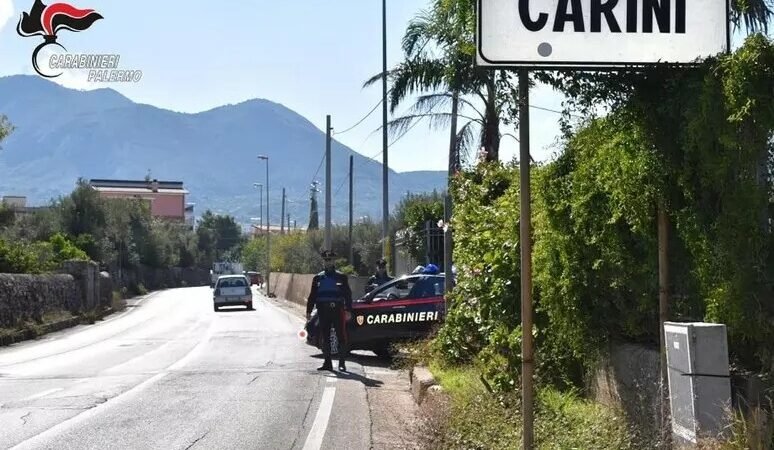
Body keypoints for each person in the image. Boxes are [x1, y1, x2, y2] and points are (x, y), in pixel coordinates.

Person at [306, 250, 353, 372]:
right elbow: (312, 296)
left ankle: (342, 363)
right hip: (322, 310)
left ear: (334, 261)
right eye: (326, 260)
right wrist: (308, 311)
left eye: (330, 260)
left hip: (337, 309)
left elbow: (348, 294)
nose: (328, 262)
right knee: (325, 336)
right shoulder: (318, 278)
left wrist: (348, 309)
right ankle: (327, 363)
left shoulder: (341, 277)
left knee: (341, 335)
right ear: (323, 262)